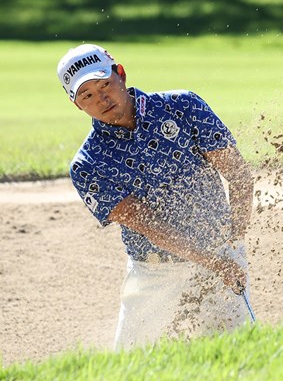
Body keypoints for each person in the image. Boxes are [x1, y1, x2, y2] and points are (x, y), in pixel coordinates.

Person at [56, 43, 255, 350]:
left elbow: (238, 174)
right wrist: (215, 261)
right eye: (87, 95)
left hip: (221, 254)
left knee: (238, 353)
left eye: (105, 84)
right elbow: (150, 226)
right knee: (133, 366)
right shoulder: (88, 164)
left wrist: (235, 243)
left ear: (120, 74)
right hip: (154, 273)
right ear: (77, 105)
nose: (102, 99)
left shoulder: (184, 106)